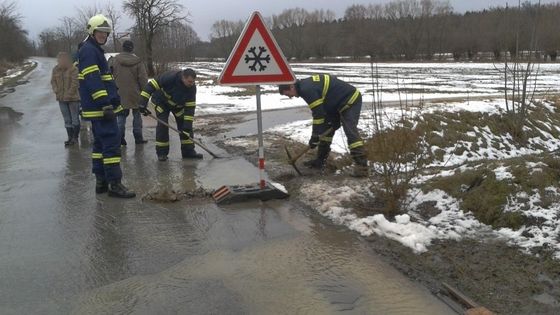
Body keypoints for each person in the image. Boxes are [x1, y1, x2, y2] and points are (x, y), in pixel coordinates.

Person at [77, 14, 135, 198]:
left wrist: (113, 99)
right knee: (111, 144)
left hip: (99, 108)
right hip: (100, 108)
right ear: (92, 32)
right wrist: (105, 104)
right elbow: (93, 79)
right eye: (100, 32)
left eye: (106, 33)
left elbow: (103, 79)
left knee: (100, 145)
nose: (104, 35)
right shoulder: (89, 50)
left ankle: (101, 182)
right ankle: (115, 185)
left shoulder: (93, 49)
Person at [278, 74, 368, 176]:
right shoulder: (303, 87)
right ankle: (320, 161)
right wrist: (317, 135)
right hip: (335, 105)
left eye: (288, 94)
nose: (290, 97)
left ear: (291, 86)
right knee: (327, 130)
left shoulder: (306, 89)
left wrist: (315, 136)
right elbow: (320, 112)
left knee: (350, 131)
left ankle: (362, 168)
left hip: (350, 100)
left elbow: (318, 115)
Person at [137, 68, 202, 161]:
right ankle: (161, 153)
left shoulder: (192, 89)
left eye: (193, 82)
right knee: (163, 125)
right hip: (161, 102)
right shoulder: (170, 77)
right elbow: (150, 86)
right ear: (183, 77)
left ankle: (188, 152)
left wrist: (186, 128)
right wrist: (142, 103)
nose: (191, 84)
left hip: (178, 106)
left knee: (185, 126)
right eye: (189, 82)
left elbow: (190, 109)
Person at [109, 40, 149, 146]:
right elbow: (143, 79)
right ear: (132, 49)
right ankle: (138, 138)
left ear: (123, 48)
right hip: (135, 93)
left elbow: (108, 76)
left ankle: (120, 139)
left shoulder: (115, 60)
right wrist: (145, 93)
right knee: (137, 116)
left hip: (119, 93)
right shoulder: (138, 61)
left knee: (121, 118)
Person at [51, 52, 81, 146]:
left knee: (74, 119)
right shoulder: (55, 69)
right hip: (61, 99)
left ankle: (75, 138)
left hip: (73, 99)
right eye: (60, 59)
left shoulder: (73, 69)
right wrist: (56, 90)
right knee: (67, 120)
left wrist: (69, 94)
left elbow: (75, 83)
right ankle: (70, 138)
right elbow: (53, 81)